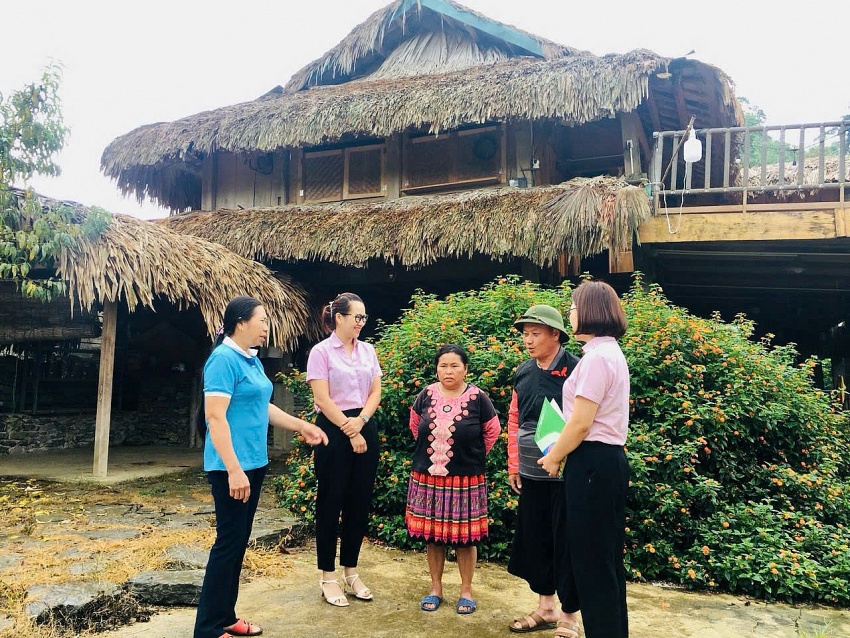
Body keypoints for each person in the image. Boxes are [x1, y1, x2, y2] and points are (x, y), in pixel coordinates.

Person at [194, 296, 328, 638]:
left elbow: (262, 408)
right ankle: (208, 628)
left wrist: (302, 425)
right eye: (262, 320)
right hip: (231, 467)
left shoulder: (250, 359)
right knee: (228, 543)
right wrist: (234, 470)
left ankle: (226, 615)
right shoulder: (223, 360)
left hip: (254, 462)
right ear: (241, 323)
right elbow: (214, 416)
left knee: (238, 542)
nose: (267, 326)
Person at [539, 281, 630, 638]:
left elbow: (580, 423)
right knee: (603, 561)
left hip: (591, 462)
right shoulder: (608, 353)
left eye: (574, 306)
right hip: (601, 463)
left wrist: (554, 457)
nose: (570, 313)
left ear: (591, 311)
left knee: (593, 562)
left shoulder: (596, 359)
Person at [405, 344, 501, 615]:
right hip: (428, 478)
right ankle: (435, 588)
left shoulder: (478, 398)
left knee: (465, 538)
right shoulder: (425, 394)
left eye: (455, 365)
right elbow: (415, 425)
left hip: (465, 480)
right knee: (433, 536)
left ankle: (466, 591)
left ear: (465, 369)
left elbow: (492, 431)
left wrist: (469, 454)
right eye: (443, 365)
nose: (448, 371)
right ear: (436, 369)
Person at [506, 305, 580, 633]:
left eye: (536, 333)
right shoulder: (523, 372)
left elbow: (584, 421)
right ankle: (545, 608)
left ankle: (569, 617)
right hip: (531, 474)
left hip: (565, 474)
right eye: (525, 334)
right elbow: (512, 419)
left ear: (555, 334)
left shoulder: (577, 369)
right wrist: (513, 464)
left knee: (567, 541)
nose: (529, 340)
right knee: (536, 539)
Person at [306, 292, 382, 607]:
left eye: (364, 317)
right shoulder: (320, 352)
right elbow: (322, 398)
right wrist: (349, 429)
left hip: (365, 427)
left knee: (358, 502)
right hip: (332, 431)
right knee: (330, 502)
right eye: (356, 317)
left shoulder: (368, 351)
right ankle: (328, 576)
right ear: (339, 317)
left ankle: (351, 570)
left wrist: (361, 422)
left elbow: (376, 390)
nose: (361, 323)